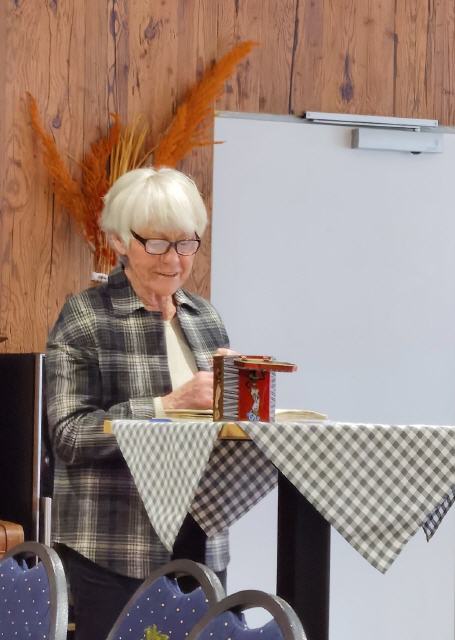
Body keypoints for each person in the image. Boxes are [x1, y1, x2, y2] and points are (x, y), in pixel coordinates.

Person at [46, 167, 232, 640]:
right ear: (119, 241)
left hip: (201, 538)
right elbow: (69, 434)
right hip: (116, 547)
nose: (173, 259)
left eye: (186, 243)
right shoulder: (86, 316)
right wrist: (165, 406)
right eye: (157, 243)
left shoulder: (206, 318)